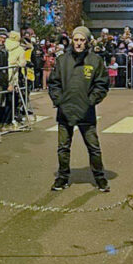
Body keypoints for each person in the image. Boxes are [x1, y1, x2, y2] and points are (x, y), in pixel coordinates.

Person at [48, 26, 110, 191]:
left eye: (82, 40)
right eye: (76, 40)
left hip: (85, 112)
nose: (79, 43)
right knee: (63, 148)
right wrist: (59, 100)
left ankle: (100, 178)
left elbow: (102, 84)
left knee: (93, 147)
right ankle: (62, 178)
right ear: (71, 41)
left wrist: (90, 101)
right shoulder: (62, 61)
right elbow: (53, 83)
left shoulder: (95, 61)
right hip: (65, 112)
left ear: (87, 41)